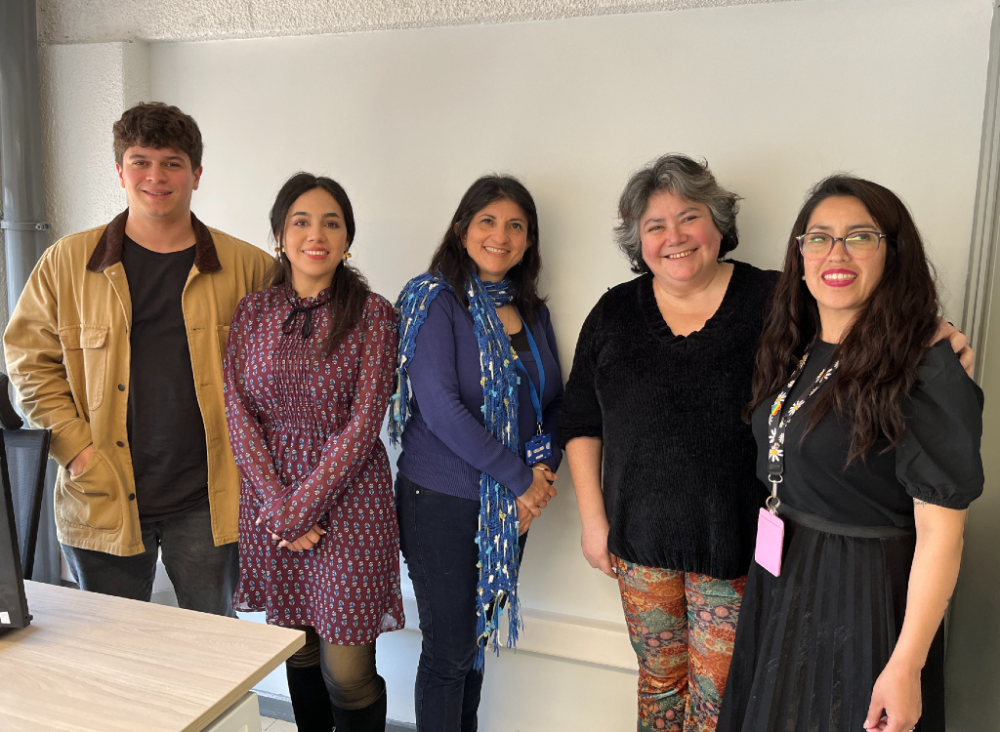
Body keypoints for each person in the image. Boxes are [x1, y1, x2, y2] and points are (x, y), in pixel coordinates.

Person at [559, 155, 974, 732]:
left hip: (739, 547)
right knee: (658, 683)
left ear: (719, 224)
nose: (674, 237)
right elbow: (581, 416)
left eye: (689, 218)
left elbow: (862, 323)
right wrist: (593, 520)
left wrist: (937, 333)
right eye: (655, 225)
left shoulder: (775, 299)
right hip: (642, 543)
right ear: (637, 239)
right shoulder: (613, 312)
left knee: (722, 698)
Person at [717, 176, 982, 732]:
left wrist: (906, 665)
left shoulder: (928, 363)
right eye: (819, 237)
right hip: (783, 578)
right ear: (801, 252)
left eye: (859, 236)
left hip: (863, 594)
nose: (836, 253)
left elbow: (942, 534)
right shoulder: (794, 344)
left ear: (893, 251)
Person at [4, 102, 272, 614]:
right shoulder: (66, 262)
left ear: (196, 173)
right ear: (120, 171)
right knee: (113, 654)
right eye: (140, 161)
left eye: (172, 162)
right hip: (102, 491)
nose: (156, 176)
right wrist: (77, 450)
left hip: (210, 499)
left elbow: (289, 364)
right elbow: (28, 362)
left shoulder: (249, 268)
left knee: (211, 648)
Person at [224, 173, 403, 731]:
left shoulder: (374, 313)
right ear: (280, 234)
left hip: (350, 508)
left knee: (347, 674)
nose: (316, 234)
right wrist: (279, 507)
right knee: (296, 652)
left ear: (348, 238)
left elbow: (365, 421)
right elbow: (237, 411)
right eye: (301, 221)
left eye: (332, 222)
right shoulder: (253, 312)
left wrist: (298, 510)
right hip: (268, 503)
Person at [389, 175, 562, 732]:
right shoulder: (433, 299)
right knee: (450, 650)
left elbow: (555, 402)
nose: (501, 235)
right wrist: (521, 480)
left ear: (529, 240)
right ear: (462, 230)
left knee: (476, 644)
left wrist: (541, 475)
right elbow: (439, 409)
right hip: (440, 499)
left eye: (516, 225)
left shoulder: (530, 310)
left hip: (513, 505)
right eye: (488, 221)